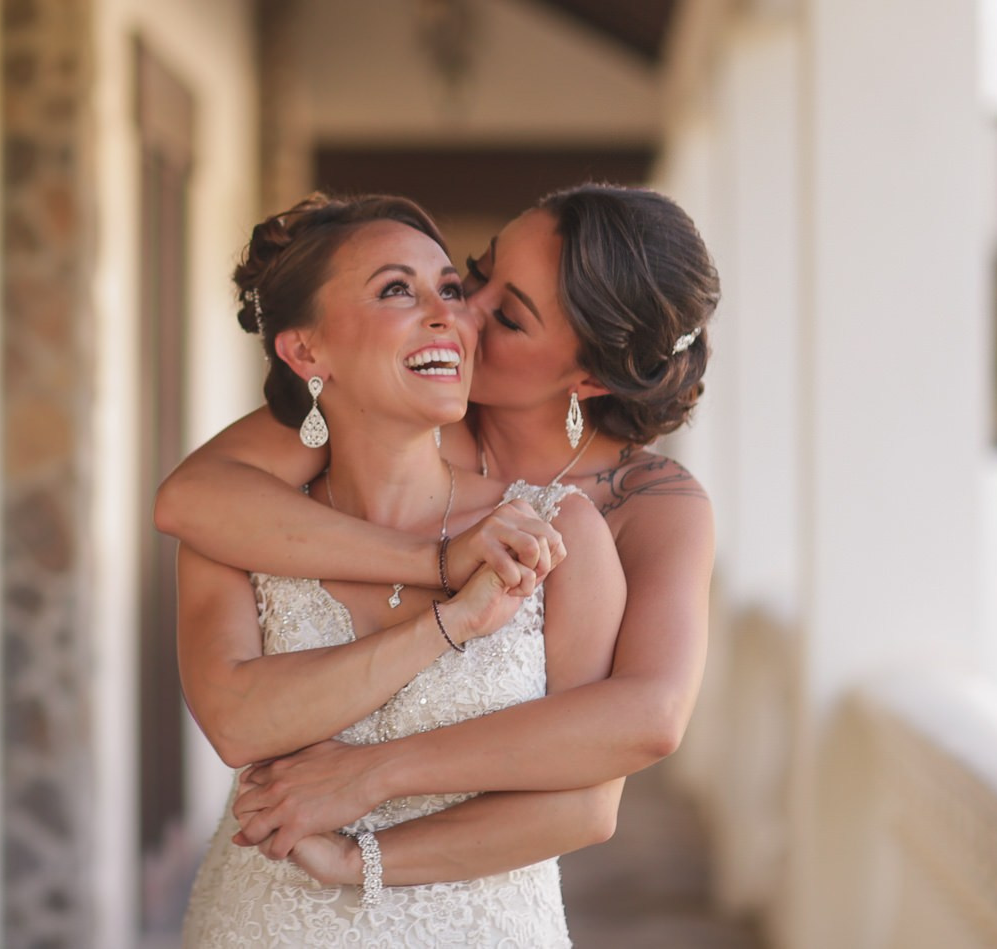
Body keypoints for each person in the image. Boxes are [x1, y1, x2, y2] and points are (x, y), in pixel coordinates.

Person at [160, 184, 722, 891]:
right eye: (476, 273)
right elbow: (192, 498)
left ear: (585, 376)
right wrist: (435, 561)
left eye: (509, 316)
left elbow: (645, 721)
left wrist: (376, 775)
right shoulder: (390, 411)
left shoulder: (646, 504)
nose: (462, 311)